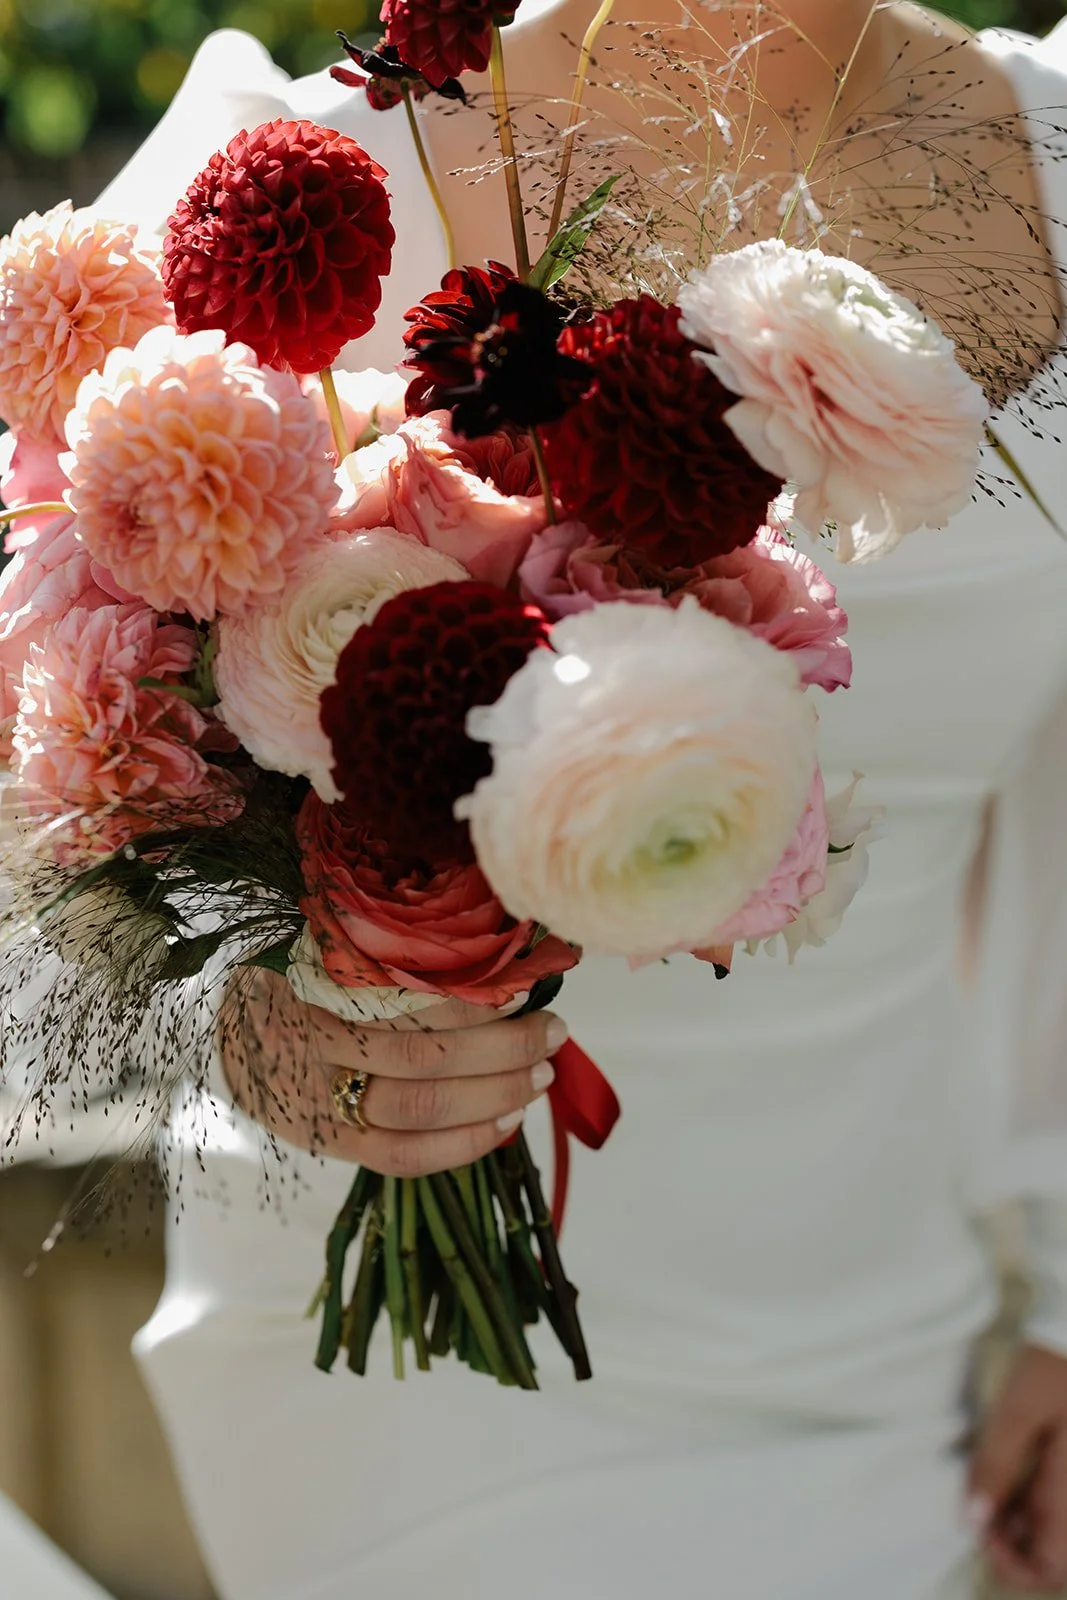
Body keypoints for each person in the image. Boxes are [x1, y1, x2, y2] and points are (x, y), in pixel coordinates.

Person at [85, 4, 1067, 1596]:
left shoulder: (1053, 155)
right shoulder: (299, 184)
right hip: (420, 1369)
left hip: (902, 1357)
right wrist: (236, 1020)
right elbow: (50, 761)